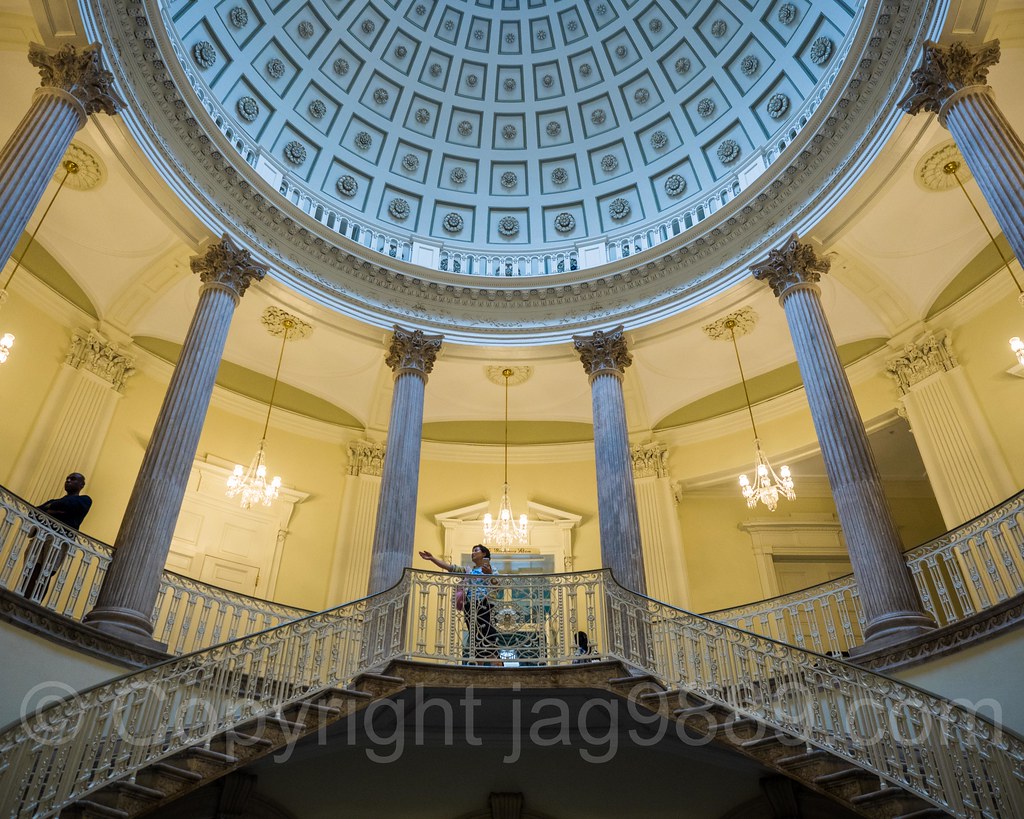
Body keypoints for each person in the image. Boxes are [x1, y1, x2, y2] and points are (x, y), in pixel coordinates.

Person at [419, 544, 501, 665]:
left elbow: (497, 586)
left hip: (485, 605)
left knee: (488, 634)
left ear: (484, 554)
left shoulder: (492, 569)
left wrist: (489, 574)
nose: (473, 553)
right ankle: (479, 667)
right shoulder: (468, 571)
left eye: (476, 551)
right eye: (472, 551)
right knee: (475, 636)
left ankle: (498, 664)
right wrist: (432, 559)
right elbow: (451, 568)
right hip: (470, 605)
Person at [22, 473, 92, 601]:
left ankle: (34, 602)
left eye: (73, 479)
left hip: (59, 540)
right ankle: (23, 597)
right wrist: (55, 509)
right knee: (31, 569)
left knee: (47, 573)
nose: (68, 481)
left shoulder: (85, 500)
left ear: (82, 485)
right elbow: (34, 513)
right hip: (41, 537)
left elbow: (71, 506)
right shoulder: (54, 501)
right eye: (67, 479)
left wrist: (48, 510)